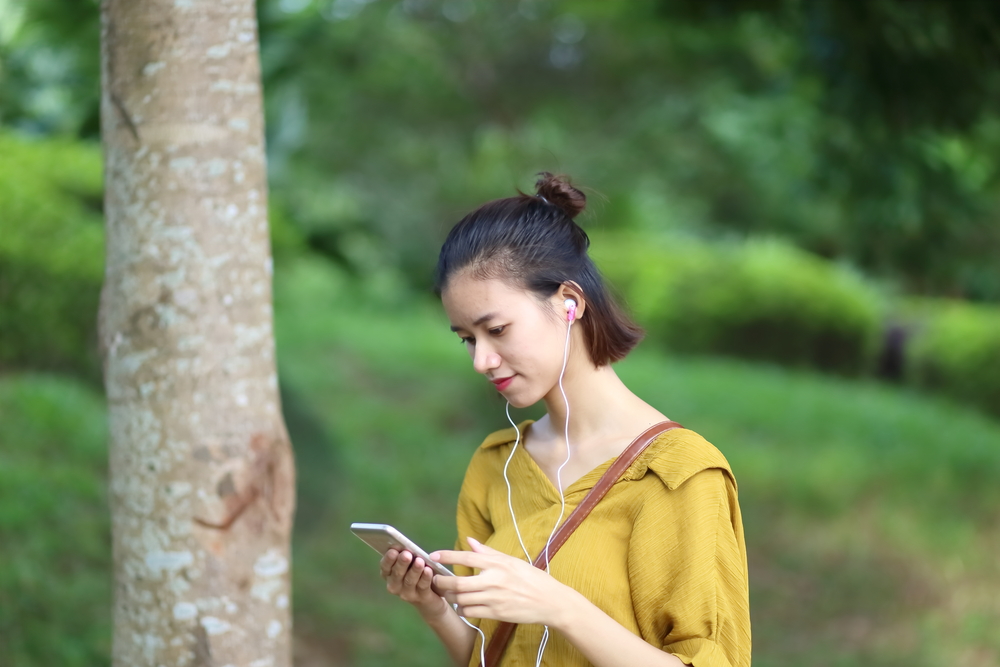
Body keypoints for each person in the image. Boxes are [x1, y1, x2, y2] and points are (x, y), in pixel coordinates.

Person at [379, 173, 751, 667]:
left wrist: (560, 607)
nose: (481, 361)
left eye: (496, 330)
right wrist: (433, 609)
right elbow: (488, 654)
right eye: (468, 339)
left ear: (569, 302)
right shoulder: (498, 465)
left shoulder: (677, 474)